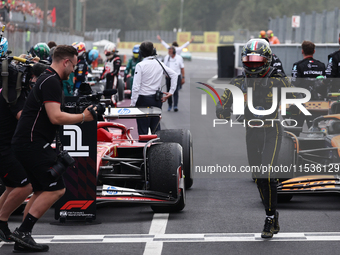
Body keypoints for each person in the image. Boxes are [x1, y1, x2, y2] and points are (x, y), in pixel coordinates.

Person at [10, 45, 96, 253]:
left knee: (40, 190)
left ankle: (24, 236)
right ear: (66, 62)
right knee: (57, 189)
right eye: (74, 65)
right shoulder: (51, 81)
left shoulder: (47, 78)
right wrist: (84, 117)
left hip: (27, 142)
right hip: (32, 143)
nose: (74, 70)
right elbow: (55, 117)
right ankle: (23, 231)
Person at [216, 39, 295, 238]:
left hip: (272, 130)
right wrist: (222, 110)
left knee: (267, 174)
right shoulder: (238, 81)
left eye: (257, 61)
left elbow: (294, 98)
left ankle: (269, 219)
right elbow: (223, 102)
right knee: (259, 178)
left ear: (266, 60)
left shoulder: (279, 80)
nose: (252, 65)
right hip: (251, 132)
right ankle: (273, 214)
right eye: (249, 61)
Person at [0, 37, 33, 243]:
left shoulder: (8, 77)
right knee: (26, 185)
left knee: (13, 187)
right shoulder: (10, 80)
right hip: (4, 144)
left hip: (6, 141)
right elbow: (21, 113)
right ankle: (2, 222)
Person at [130, 41, 178, 135]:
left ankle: (144, 148)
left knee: (143, 131)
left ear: (141, 53)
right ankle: (158, 149)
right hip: (156, 100)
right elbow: (174, 75)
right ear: (153, 51)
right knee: (156, 130)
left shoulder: (140, 65)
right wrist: (171, 91)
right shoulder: (159, 63)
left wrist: (133, 103)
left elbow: (136, 87)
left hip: (143, 100)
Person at [291, 40, 326, 127]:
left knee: (295, 129)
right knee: (315, 128)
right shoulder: (321, 65)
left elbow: (294, 82)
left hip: (301, 101)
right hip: (317, 102)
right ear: (314, 51)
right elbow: (325, 83)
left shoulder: (297, 65)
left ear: (302, 51)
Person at [163, 46, 185, 112]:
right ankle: (169, 105)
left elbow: (182, 68)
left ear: (174, 52)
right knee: (168, 91)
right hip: (168, 77)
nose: (169, 52)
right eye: (168, 51)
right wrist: (165, 74)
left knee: (175, 91)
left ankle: (175, 105)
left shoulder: (179, 58)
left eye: (170, 51)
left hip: (177, 77)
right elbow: (164, 67)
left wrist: (183, 77)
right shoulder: (167, 58)